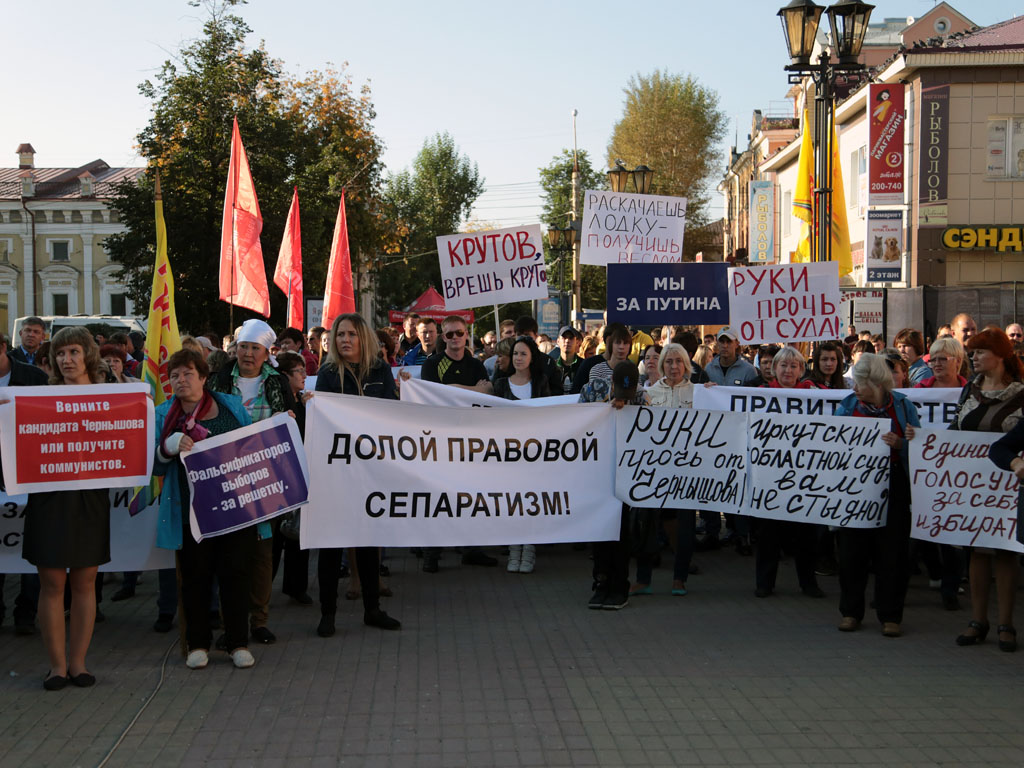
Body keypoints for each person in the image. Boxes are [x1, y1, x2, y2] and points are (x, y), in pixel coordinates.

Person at [153, 348, 258, 670]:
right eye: (174, 375)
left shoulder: (231, 407)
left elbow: (255, 446)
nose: (180, 380)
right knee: (195, 578)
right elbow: (153, 468)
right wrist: (167, 448)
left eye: (187, 374)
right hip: (191, 511)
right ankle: (197, 643)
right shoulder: (163, 415)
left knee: (236, 576)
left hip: (235, 509)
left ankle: (238, 642)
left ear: (203, 377)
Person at [22, 327, 111, 689]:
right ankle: (57, 666)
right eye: (60, 354)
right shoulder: (38, 398)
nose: (67, 359)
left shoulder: (110, 397)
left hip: (89, 496)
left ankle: (79, 664)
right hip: (48, 496)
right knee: (52, 582)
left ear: (87, 354)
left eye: (73, 352)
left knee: (85, 581)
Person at [314, 313, 402, 637]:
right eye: (340, 335)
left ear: (363, 338)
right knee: (331, 544)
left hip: (370, 472)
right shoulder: (327, 374)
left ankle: (372, 610)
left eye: (351, 334)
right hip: (336, 472)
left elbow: (390, 415)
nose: (345, 340)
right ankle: (327, 614)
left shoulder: (381, 371)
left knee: (367, 543)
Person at [209, 319, 296, 646]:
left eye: (254, 348)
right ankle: (229, 619)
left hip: (265, 478)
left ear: (266, 352)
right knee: (228, 553)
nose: (247, 353)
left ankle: (258, 619)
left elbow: (291, 422)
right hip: (226, 477)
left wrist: (288, 418)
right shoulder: (218, 379)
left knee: (262, 552)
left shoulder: (278, 382)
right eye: (243, 346)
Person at [948, 327, 1024, 651]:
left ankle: (1006, 623)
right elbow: (954, 430)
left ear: (1000, 355)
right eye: (972, 352)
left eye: (980, 352)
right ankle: (978, 620)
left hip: (1008, 484)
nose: (973, 357)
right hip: (974, 487)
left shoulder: (1021, 394)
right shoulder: (969, 391)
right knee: (976, 551)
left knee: (1006, 552)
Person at [835, 354, 920, 637]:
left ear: (876, 383)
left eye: (860, 383)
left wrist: (902, 445)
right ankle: (850, 611)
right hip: (854, 484)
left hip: (893, 482)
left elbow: (921, 448)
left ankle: (891, 615)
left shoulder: (904, 406)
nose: (855, 389)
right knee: (851, 550)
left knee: (892, 551)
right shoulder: (847, 406)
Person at [753, 347, 825, 600]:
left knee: (805, 533)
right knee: (768, 534)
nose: (788, 370)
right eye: (783, 365)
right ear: (774, 369)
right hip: (770, 473)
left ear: (801, 370)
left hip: (804, 474)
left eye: (794, 366)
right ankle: (764, 583)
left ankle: (808, 583)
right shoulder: (760, 394)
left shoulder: (814, 395)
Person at [580, 361, 650, 610]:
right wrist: (602, 410)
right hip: (598, 473)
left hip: (625, 475)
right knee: (600, 531)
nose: (623, 400)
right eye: (621, 394)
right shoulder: (592, 390)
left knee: (621, 534)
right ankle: (600, 582)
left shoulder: (642, 397)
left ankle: (619, 586)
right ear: (611, 384)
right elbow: (578, 423)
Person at [634, 344, 698, 597]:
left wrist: (717, 393)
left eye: (678, 362)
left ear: (686, 364)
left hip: (686, 471)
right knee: (647, 524)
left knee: (685, 526)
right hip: (654, 470)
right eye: (669, 362)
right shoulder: (649, 393)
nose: (673, 367)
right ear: (662, 365)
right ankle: (642, 579)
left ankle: (680, 578)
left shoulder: (699, 393)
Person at [0, 332, 46, 636]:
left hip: (28, 476)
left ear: (3, 348)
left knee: (31, 551)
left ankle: (26, 612)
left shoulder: (32, 377)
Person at [493, 335, 552, 573]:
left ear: (531, 357)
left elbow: (550, 413)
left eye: (523, 354)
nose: (518, 358)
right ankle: (513, 548)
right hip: (509, 455)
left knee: (531, 502)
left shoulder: (540, 383)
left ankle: (529, 548)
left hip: (534, 455)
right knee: (512, 502)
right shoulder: (500, 385)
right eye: (515, 353)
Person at [272, 351, 313, 605]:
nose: (304, 375)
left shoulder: (304, 402)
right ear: (285, 376)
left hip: (303, 473)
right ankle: (264, 587)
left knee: (300, 533)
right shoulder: (279, 404)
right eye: (299, 371)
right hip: (280, 476)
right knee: (277, 537)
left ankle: (296, 587)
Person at [421, 316, 491, 393]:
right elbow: (432, 393)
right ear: (444, 337)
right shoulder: (431, 364)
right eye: (449, 334)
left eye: (459, 333)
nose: (455, 337)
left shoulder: (476, 364)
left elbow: (489, 390)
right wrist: (476, 389)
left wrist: (452, 387)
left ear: (466, 334)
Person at [553, 327, 582, 393]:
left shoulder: (584, 365)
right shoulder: (552, 366)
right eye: (564, 338)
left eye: (571, 338)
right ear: (558, 341)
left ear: (577, 342)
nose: (567, 341)